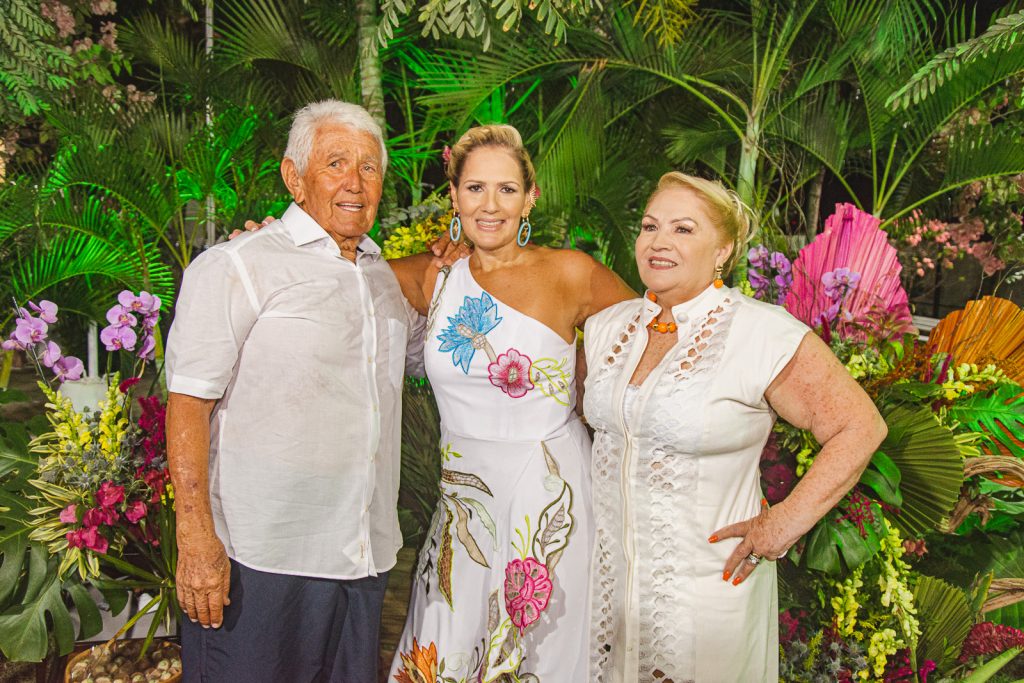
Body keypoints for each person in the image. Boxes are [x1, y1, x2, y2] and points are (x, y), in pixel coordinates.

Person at [581, 172, 887, 682]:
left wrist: (784, 524)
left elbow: (860, 426)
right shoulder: (605, 328)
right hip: (609, 596)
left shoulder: (761, 333)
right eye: (650, 226)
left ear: (722, 250)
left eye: (683, 229)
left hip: (708, 602)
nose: (659, 242)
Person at [165, 99, 427, 683]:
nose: (355, 183)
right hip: (260, 559)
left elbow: (429, 359)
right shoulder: (237, 266)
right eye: (336, 163)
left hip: (363, 555)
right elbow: (186, 406)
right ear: (295, 177)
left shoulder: (382, 278)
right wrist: (196, 538)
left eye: (369, 167)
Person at [386, 125, 635, 682]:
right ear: (453, 197)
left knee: (543, 656)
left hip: (549, 494)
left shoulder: (572, 271)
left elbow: (649, 339)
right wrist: (263, 240)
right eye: (475, 189)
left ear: (530, 198)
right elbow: (335, 274)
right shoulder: (434, 277)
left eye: (505, 189)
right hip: (462, 505)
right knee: (447, 648)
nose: (490, 205)